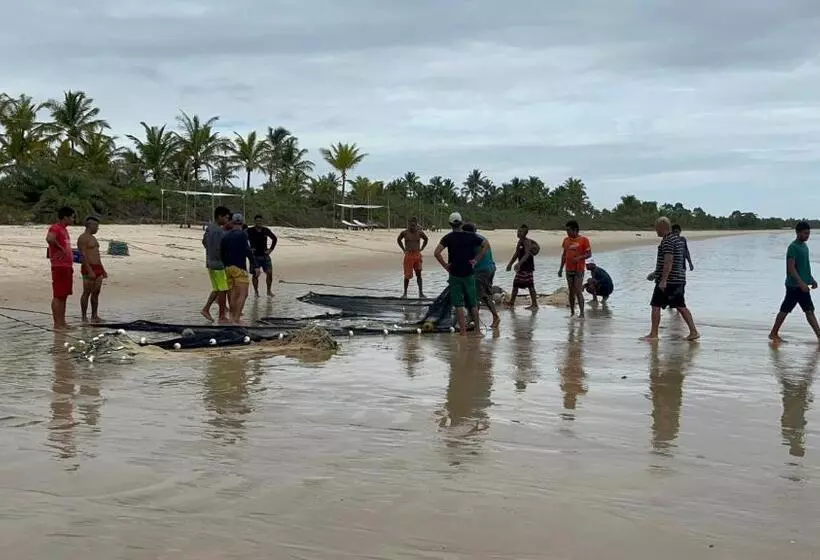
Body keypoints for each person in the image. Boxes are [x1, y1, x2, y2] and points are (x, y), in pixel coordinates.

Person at [643, 217, 700, 341]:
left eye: (656, 228)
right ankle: (694, 331)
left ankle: (653, 334)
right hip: (678, 278)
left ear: (662, 227)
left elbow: (668, 261)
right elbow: (672, 261)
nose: (655, 230)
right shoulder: (677, 240)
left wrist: (663, 280)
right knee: (680, 305)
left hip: (669, 281)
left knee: (656, 305)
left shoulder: (668, 241)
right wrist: (655, 274)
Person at [433, 212, 489, 336]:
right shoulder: (471, 236)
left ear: (450, 224)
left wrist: (445, 266)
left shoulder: (448, 238)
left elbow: (436, 253)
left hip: (454, 274)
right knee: (473, 303)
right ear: (461, 223)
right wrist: (476, 259)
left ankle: (463, 331)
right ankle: (477, 331)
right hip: (469, 273)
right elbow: (486, 245)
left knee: (458, 304)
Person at [769, 221, 820, 342]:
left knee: (808, 310)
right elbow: (791, 269)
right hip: (794, 286)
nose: (807, 236)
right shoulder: (793, 247)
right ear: (797, 233)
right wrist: (801, 283)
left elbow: (804, 267)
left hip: (802, 285)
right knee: (787, 310)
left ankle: (819, 335)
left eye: (808, 233)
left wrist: (811, 279)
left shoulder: (804, 246)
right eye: (805, 233)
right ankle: (773, 333)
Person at [220, 213, 257, 324]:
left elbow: (221, 252)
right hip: (239, 268)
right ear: (242, 223)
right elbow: (247, 251)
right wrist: (255, 265)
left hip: (227, 268)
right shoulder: (243, 235)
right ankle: (236, 318)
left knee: (232, 294)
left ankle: (232, 317)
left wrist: (225, 265)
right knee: (243, 294)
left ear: (232, 222)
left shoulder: (225, 235)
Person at [462, 223, 500, 328]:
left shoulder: (472, 241)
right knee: (483, 294)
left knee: (478, 295)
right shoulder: (481, 238)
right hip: (490, 268)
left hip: (482, 270)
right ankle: (475, 319)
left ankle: (475, 320)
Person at [46, 206, 76, 330]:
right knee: (58, 295)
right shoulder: (56, 227)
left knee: (64, 295)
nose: (74, 220)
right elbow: (49, 239)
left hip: (67, 266)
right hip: (59, 266)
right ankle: (57, 324)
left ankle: (62, 322)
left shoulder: (64, 230)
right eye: (72, 217)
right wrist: (60, 248)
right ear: (65, 217)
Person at [201, 206, 232, 322]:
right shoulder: (219, 231)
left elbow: (204, 242)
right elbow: (222, 248)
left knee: (217, 288)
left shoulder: (209, 228)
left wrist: (210, 250)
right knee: (223, 289)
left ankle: (206, 309)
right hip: (218, 264)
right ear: (220, 216)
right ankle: (221, 316)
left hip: (210, 262)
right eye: (226, 218)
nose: (227, 220)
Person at [558, 220, 592, 318]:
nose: (567, 232)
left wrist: (580, 258)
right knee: (571, 291)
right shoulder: (566, 240)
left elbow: (589, 254)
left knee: (578, 290)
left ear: (575, 230)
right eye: (566, 230)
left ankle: (582, 314)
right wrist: (560, 268)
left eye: (569, 230)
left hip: (579, 269)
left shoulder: (584, 240)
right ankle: (572, 312)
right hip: (568, 269)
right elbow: (564, 255)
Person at [77, 216, 107, 324]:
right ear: (90, 225)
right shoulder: (83, 238)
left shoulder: (93, 238)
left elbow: (97, 255)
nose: (97, 228)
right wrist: (89, 270)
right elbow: (82, 255)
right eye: (96, 226)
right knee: (87, 292)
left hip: (98, 267)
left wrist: (102, 269)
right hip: (88, 267)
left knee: (96, 292)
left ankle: (94, 315)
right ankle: (84, 317)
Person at [506, 224, 538, 309]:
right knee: (516, 284)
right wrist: (510, 264)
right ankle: (511, 302)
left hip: (527, 267)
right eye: (518, 231)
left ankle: (534, 304)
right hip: (521, 267)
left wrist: (519, 263)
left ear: (525, 233)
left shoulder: (526, 242)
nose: (518, 233)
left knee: (530, 285)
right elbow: (516, 253)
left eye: (521, 231)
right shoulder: (520, 242)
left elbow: (527, 254)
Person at [246, 214, 278, 298]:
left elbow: (274, 239)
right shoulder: (250, 230)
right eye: (257, 221)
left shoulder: (265, 230)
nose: (259, 222)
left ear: (262, 221)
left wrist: (271, 249)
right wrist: (249, 249)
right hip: (254, 256)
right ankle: (256, 292)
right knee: (255, 275)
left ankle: (269, 291)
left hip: (265, 255)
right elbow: (242, 239)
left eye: (260, 221)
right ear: (254, 222)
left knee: (269, 273)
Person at [397, 217, 429, 298]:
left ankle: (421, 293)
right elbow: (399, 240)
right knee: (407, 275)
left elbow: (426, 239)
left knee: (419, 274)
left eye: (414, 225)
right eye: (411, 225)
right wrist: (403, 249)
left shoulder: (420, 233)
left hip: (417, 255)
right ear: (408, 224)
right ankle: (405, 293)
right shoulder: (404, 233)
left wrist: (422, 248)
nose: (412, 227)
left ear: (416, 225)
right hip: (409, 255)